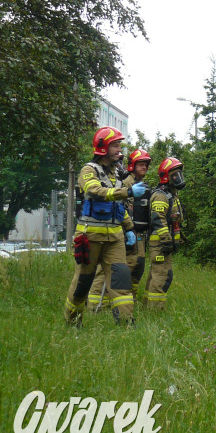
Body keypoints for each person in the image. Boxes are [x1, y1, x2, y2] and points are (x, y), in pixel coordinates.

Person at [64, 127, 147, 327]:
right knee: (83, 283)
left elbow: (118, 206)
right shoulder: (88, 170)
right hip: (90, 237)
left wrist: (128, 228)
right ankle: (73, 322)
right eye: (115, 145)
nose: (119, 149)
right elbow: (94, 191)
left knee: (121, 280)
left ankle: (127, 323)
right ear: (103, 147)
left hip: (114, 238)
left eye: (119, 145)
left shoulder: (117, 173)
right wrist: (125, 192)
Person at [87, 148, 152, 311]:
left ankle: (129, 302)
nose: (144, 167)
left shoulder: (142, 186)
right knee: (107, 270)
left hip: (135, 232)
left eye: (146, 164)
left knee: (135, 266)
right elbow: (118, 205)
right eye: (141, 164)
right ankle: (96, 306)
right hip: (118, 231)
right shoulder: (125, 183)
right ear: (132, 165)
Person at [144, 157, 186, 310]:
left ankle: (147, 307)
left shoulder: (171, 195)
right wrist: (167, 240)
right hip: (160, 244)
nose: (179, 178)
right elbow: (157, 219)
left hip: (164, 244)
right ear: (167, 176)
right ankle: (155, 311)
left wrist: (177, 239)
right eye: (175, 175)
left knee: (156, 275)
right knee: (162, 277)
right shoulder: (161, 196)